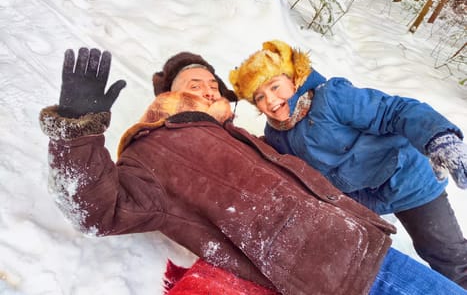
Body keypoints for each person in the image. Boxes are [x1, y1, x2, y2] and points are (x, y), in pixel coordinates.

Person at [39, 47, 466, 295]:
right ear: (167, 95)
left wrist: (430, 138)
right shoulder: (153, 147)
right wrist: (76, 133)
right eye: (193, 84)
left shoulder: (243, 137)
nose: (207, 88)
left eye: (210, 83)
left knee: (451, 261)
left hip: (367, 245)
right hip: (334, 276)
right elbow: (96, 210)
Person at [230, 39, 467, 288]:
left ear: (294, 79)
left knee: (447, 255)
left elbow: (393, 111)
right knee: (357, 265)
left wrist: (438, 137)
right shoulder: (277, 134)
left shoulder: (331, 97)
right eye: (259, 96)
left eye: (275, 86)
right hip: (362, 202)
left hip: (408, 179)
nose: (270, 99)